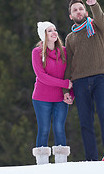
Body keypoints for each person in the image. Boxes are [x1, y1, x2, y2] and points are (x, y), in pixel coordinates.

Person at [63, 0, 104, 161]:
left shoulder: (98, 27)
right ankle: (91, 159)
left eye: (81, 9)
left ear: (86, 12)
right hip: (79, 82)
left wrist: (94, 5)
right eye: (75, 10)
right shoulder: (70, 38)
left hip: (101, 78)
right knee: (85, 122)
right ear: (71, 16)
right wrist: (66, 89)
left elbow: (102, 19)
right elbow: (68, 64)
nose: (78, 11)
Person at [31, 21, 74, 165]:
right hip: (41, 98)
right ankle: (42, 165)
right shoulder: (37, 52)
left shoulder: (64, 52)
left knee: (59, 128)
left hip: (61, 98)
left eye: (54, 29)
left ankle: (61, 165)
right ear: (44, 35)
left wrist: (70, 93)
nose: (54, 32)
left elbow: (69, 74)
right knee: (43, 129)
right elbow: (42, 77)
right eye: (49, 30)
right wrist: (64, 84)